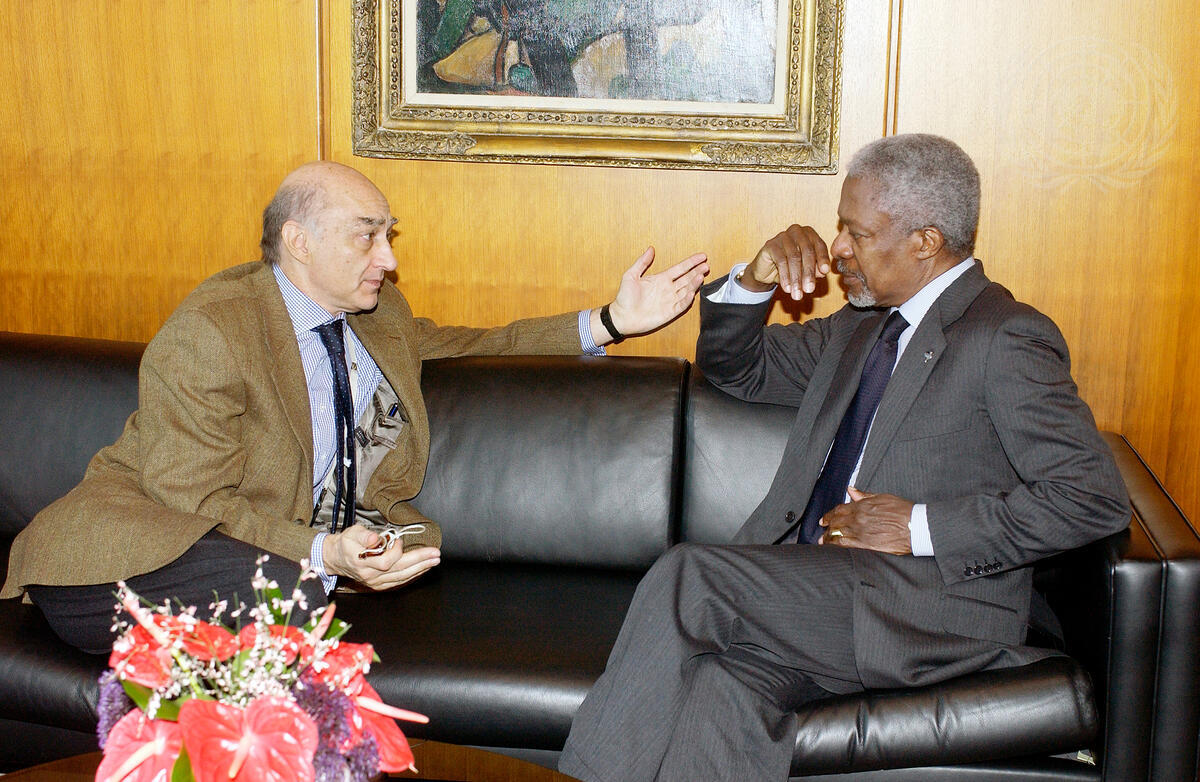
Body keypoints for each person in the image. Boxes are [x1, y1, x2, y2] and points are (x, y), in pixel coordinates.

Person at [558, 134, 1130, 781]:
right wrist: (755, 279)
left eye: (857, 233)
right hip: (815, 599)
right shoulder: (859, 328)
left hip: (923, 611)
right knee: (723, 690)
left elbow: (1092, 498)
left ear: (925, 241)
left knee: (690, 576)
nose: (836, 249)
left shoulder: (1005, 336)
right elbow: (736, 369)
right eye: (840, 228)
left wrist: (918, 527)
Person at [0, 161, 709, 654]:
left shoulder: (377, 313)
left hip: (249, 564)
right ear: (299, 242)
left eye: (387, 235)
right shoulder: (213, 333)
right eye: (366, 234)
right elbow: (190, 500)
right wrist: (321, 552)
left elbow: (469, 344)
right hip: (121, 558)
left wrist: (610, 321)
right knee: (295, 592)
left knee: (294, 597)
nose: (388, 258)